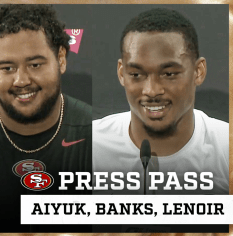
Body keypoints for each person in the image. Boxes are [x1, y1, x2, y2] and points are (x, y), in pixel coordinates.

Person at [0, 4, 92, 232]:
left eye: (35, 65)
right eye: (7, 68)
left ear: (61, 59)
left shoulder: (100, 136)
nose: (21, 80)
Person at [93, 8, 229, 195]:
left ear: (198, 71)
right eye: (136, 74)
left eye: (169, 74)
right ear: (121, 73)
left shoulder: (226, 147)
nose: (152, 91)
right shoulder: (86, 146)